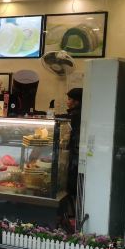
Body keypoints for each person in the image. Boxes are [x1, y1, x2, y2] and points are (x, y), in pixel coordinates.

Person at [58, 88, 83, 230]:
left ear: (76, 101)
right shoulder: (78, 114)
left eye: (69, 99)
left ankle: (69, 218)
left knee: (69, 187)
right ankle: (70, 216)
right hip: (74, 157)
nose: (67, 102)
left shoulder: (75, 116)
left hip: (73, 158)